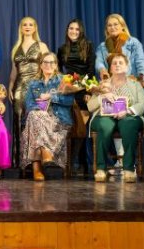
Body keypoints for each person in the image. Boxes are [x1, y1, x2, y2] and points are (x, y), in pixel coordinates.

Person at [95, 13, 144, 169]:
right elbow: (99, 62)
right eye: (109, 25)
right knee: (108, 121)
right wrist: (103, 70)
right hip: (110, 83)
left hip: (129, 81)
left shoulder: (133, 43)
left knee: (127, 121)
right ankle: (112, 163)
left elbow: (140, 61)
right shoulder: (103, 46)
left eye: (116, 24)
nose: (112, 27)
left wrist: (142, 79)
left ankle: (127, 164)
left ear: (122, 26)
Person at [87, 53, 144, 183]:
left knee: (129, 125)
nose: (117, 65)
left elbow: (143, 103)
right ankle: (101, 169)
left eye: (121, 63)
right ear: (110, 68)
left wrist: (128, 110)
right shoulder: (101, 84)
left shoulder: (135, 84)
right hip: (104, 116)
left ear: (127, 67)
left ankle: (129, 169)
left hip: (128, 115)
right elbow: (90, 107)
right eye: (114, 63)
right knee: (105, 125)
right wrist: (101, 97)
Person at [21, 53, 74, 181]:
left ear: (56, 65)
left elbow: (69, 101)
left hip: (59, 120)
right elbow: (28, 104)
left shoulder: (63, 80)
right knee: (35, 115)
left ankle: (37, 167)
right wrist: (40, 109)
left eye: (51, 62)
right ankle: (47, 157)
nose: (48, 65)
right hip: (38, 118)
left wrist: (51, 97)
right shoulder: (34, 83)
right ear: (40, 65)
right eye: (45, 62)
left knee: (35, 120)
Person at [8, 16, 49, 166]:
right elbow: (14, 71)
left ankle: (35, 162)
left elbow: (48, 68)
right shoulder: (16, 48)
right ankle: (19, 162)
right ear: (21, 28)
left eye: (31, 24)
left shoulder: (41, 45)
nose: (27, 27)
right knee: (18, 122)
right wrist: (10, 86)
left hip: (36, 88)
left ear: (35, 28)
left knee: (34, 122)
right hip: (19, 87)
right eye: (25, 24)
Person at [56, 18, 96, 175]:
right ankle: (72, 163)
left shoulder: (88, 46)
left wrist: (86, 91)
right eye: (71, 28)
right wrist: (65, 85)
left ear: (81, 32)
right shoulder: (62, 49)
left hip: (84, 89)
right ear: (67, 30)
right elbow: (59, 71)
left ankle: (75, 163)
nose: (73, 31)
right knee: (71, 127)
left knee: (81, 127)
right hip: (68, 89)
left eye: (77, 29)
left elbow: (91, 70)